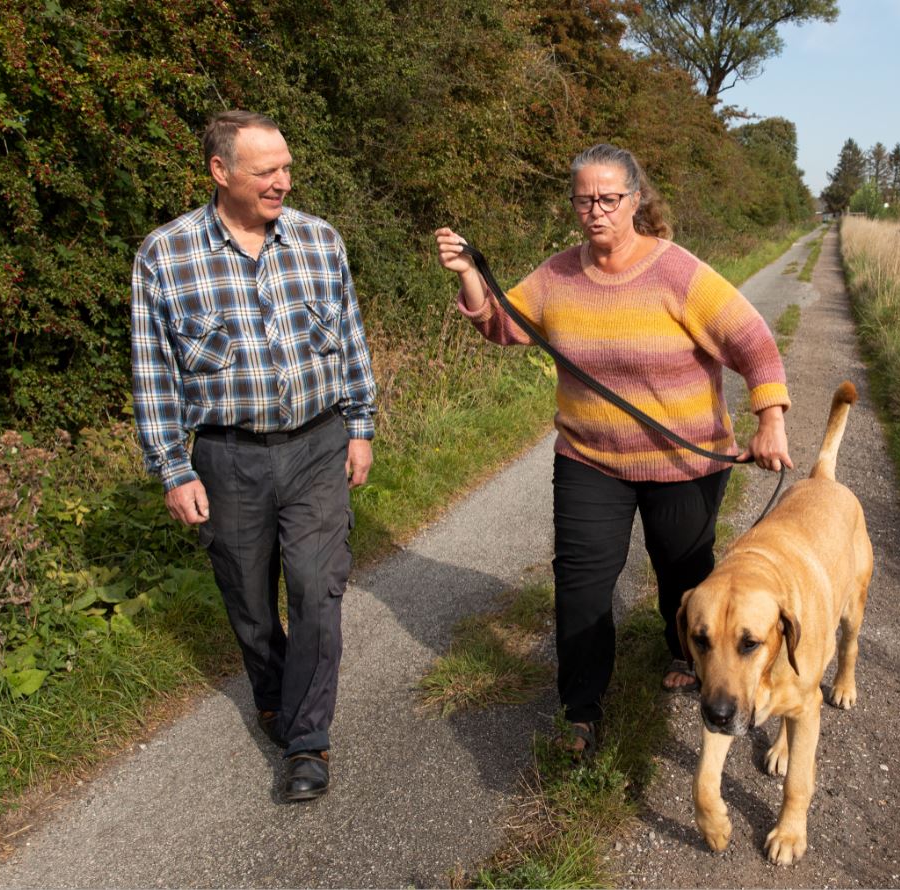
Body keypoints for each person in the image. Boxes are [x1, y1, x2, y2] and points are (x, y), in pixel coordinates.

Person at [433, 143, 792, 755]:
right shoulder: (558, 275)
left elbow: (752, 340)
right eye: (584, 200)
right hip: (590, 458)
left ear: (634, 200)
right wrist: (469, 271)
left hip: (684, 461)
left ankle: (687, 654)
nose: (595, 210)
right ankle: (580, 709)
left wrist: (771, 418)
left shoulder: (676, 272)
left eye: (608, 198)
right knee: (581, 582)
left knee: (683, 572)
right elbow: (503, 324)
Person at [131, 110, 377, 800]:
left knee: (316, 590)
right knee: (248, 600)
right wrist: (172, 468)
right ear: (220, 171)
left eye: (286, 167)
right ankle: (273, 697)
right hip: (228, 456)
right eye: (266, 170)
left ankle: (307, 742)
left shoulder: (319, 240)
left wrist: (361, 425)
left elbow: (350, 337)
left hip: (317, 444)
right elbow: (153, 373)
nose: (282, 182)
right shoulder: (165, 255)